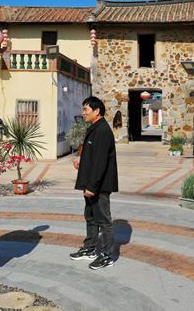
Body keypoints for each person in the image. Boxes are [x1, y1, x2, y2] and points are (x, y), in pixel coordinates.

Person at [70, 96, 119, 270]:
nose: (83, 113)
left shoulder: (103, 131)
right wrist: (81, 158)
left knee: (103, 220)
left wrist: (92, 187)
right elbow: (92, 153)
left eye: (86, 110)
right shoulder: (94, 128)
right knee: (90, 217)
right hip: (91, 183)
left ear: (97, 111)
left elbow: (101, 162)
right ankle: (90, 248)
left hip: (99, 185)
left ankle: (107, 255)